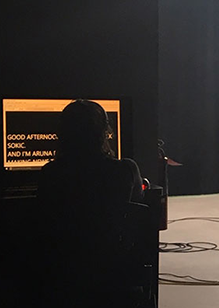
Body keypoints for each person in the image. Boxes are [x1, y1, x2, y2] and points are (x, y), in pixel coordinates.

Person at [36, 100, 143, 306]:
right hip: (114, 272)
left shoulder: (50, 173)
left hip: (65, 275)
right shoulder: (126, 170)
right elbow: (138, 207)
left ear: (62, 133)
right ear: (103, 132)